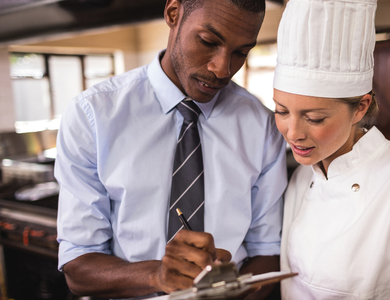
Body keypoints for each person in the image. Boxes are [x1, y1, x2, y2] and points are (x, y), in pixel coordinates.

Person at [55, 0, 287, 299]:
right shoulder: (94, 115)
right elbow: (78, 267)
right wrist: (157, 275)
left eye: (241, 52)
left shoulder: (262, 125)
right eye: (208, 42)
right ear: (173, 13)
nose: (222, 69)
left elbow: (267, 252)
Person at [273, 0, 390, 298]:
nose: (293, 134)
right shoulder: (304, 177)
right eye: (280, 111)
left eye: (314, 118)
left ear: (360, 108)